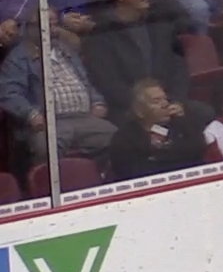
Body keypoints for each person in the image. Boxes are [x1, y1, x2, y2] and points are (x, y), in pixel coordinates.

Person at [0, 16, 117, 163]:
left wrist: (97, 102)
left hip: (84, 118)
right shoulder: (18, 58)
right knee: (46, 148)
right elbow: (9, 93)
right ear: (31, 28)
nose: (54, 29)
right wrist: (30, 114)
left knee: (118, 138)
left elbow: (85, 82)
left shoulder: (67, 51)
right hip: (49, 124)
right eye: (48, 25)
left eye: (55, 24)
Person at [108, 76, 208, 177]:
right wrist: (172, 155)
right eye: (156, 101)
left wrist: (157, 157)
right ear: (139, 111)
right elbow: (135, 172)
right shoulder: (124, 139)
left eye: (165, 99)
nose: (165, 104)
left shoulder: (181, 125)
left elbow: (197, 150)